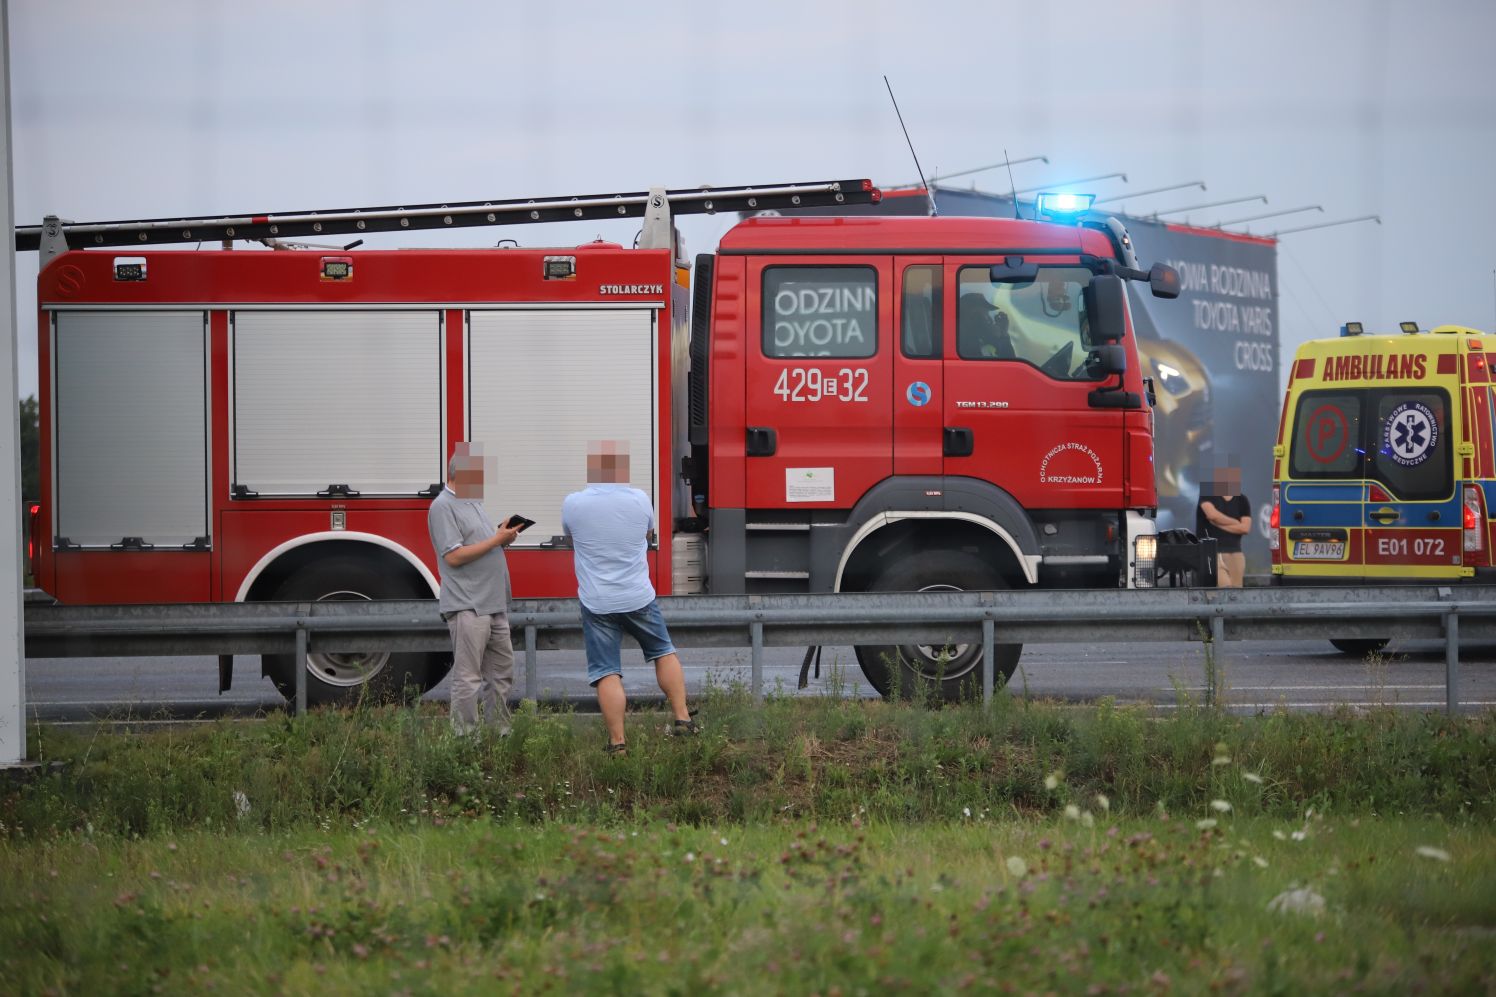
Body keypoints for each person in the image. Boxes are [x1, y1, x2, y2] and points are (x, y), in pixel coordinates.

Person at [562, 439, 697, 755]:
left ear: (592, 469)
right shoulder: (640, 500)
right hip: (638, 597)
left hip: (597, 602)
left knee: (607, 670)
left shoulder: (573, 503)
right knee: (663, 650)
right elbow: (647, 535)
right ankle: (682, 719)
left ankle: (618, 744)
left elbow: (571, 538)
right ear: (622, 469)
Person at [427, 442, 523, 735]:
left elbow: (479, 544)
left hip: (493, 603)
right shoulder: (442, 507)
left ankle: (500, 734)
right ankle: (465, 739)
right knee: (468, 677)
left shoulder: (473, 502)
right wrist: (496, 541)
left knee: (501, 675)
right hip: (468, 605)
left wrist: (501, 536)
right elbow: (453, 556)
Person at [1196, 464, 1252, 588]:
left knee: (1237, 591)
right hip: (1213, 553)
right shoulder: (1208, 495)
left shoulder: (1242, 500)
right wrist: (1235, 523)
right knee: (1224, 587)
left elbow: (1245, 528)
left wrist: (1220, 524)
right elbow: (1212, 515)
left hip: (1235, 553)